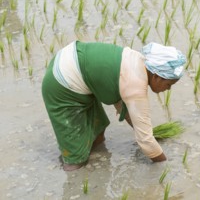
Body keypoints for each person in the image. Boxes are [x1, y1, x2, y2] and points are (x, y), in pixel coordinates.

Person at [42, 41, 186, 171]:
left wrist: (145, 131)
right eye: (168, 84)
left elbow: (131, 113)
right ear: (156, 76)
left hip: (71, 65)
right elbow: (146, 142)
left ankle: (97, 170)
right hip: (61, 84)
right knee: (75, 158)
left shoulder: (136, 60)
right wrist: (165, 166)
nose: (168, 89)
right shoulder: (135, 85)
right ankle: (73, 181)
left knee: (98, 132)